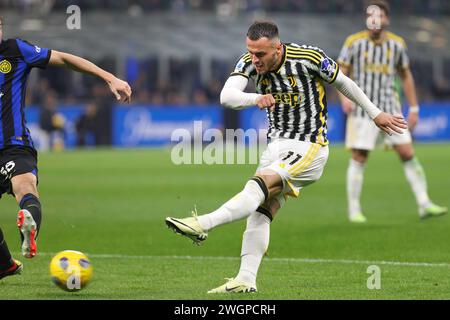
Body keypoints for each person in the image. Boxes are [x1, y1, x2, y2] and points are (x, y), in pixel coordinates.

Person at [166, 20, 407, 293]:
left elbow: (344, 82)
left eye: (260, 54)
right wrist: (254, 98)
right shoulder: (249, 61)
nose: (254, 60)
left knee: (257, 185)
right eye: (251, 52)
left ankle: (202, 224)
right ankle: (246, 278)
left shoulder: (309, 58)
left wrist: (375, 113)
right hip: (276, 146)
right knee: (261, 212)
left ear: (277, 48)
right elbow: (227, 96)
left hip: (309, 146)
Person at [0, 16, 132, 280]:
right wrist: (109, 77)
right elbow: (64, 58)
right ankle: (12, 253)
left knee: (25, 187)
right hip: (14, 146)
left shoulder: (14, 51)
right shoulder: (13, 49)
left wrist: (107, 77)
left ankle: (14, 247)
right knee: (26, 188)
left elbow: (63, 58)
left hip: (12, 144)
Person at [337, 1, 447, 223]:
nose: (375, 20)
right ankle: (354, 209)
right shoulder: (353, 42)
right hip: (363, 110)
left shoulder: (397, 45)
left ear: (387, 19)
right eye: (370, 15)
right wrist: (343, 98)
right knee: (359, 156)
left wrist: (414, 107)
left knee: (407, 153)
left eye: (379, 16)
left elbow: (406, 75)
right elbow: (341, 72)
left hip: (391, 108)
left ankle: (424, 204)